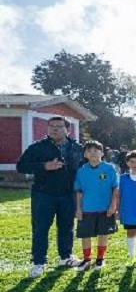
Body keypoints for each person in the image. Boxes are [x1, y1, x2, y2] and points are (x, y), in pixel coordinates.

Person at [16, 115, 84, 278]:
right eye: (51, 126)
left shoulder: (77, 147)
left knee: (66, 227)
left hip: (68, 194)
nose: (54, 129)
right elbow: (21, 166)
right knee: (40, 228)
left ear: (67, 129)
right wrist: (44, 166)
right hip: (43, 194)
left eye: (59, 126)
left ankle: (66, 257)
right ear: (47, 129)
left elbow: (84, 169)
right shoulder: (37, 147)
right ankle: (39, 262)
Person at [74, 140, 119, 271]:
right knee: (85, 235)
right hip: (87, 208)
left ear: (102, 153)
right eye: (89, 151)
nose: (93, 153)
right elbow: (79, 191)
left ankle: (100, 259)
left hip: (105, 209)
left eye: (96, 150)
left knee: (103, 234)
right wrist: (78, 208)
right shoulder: (81, 171)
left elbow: (114, 188)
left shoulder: (109, 168)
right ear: (85, 155)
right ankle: (87, 259)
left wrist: (113, 205)